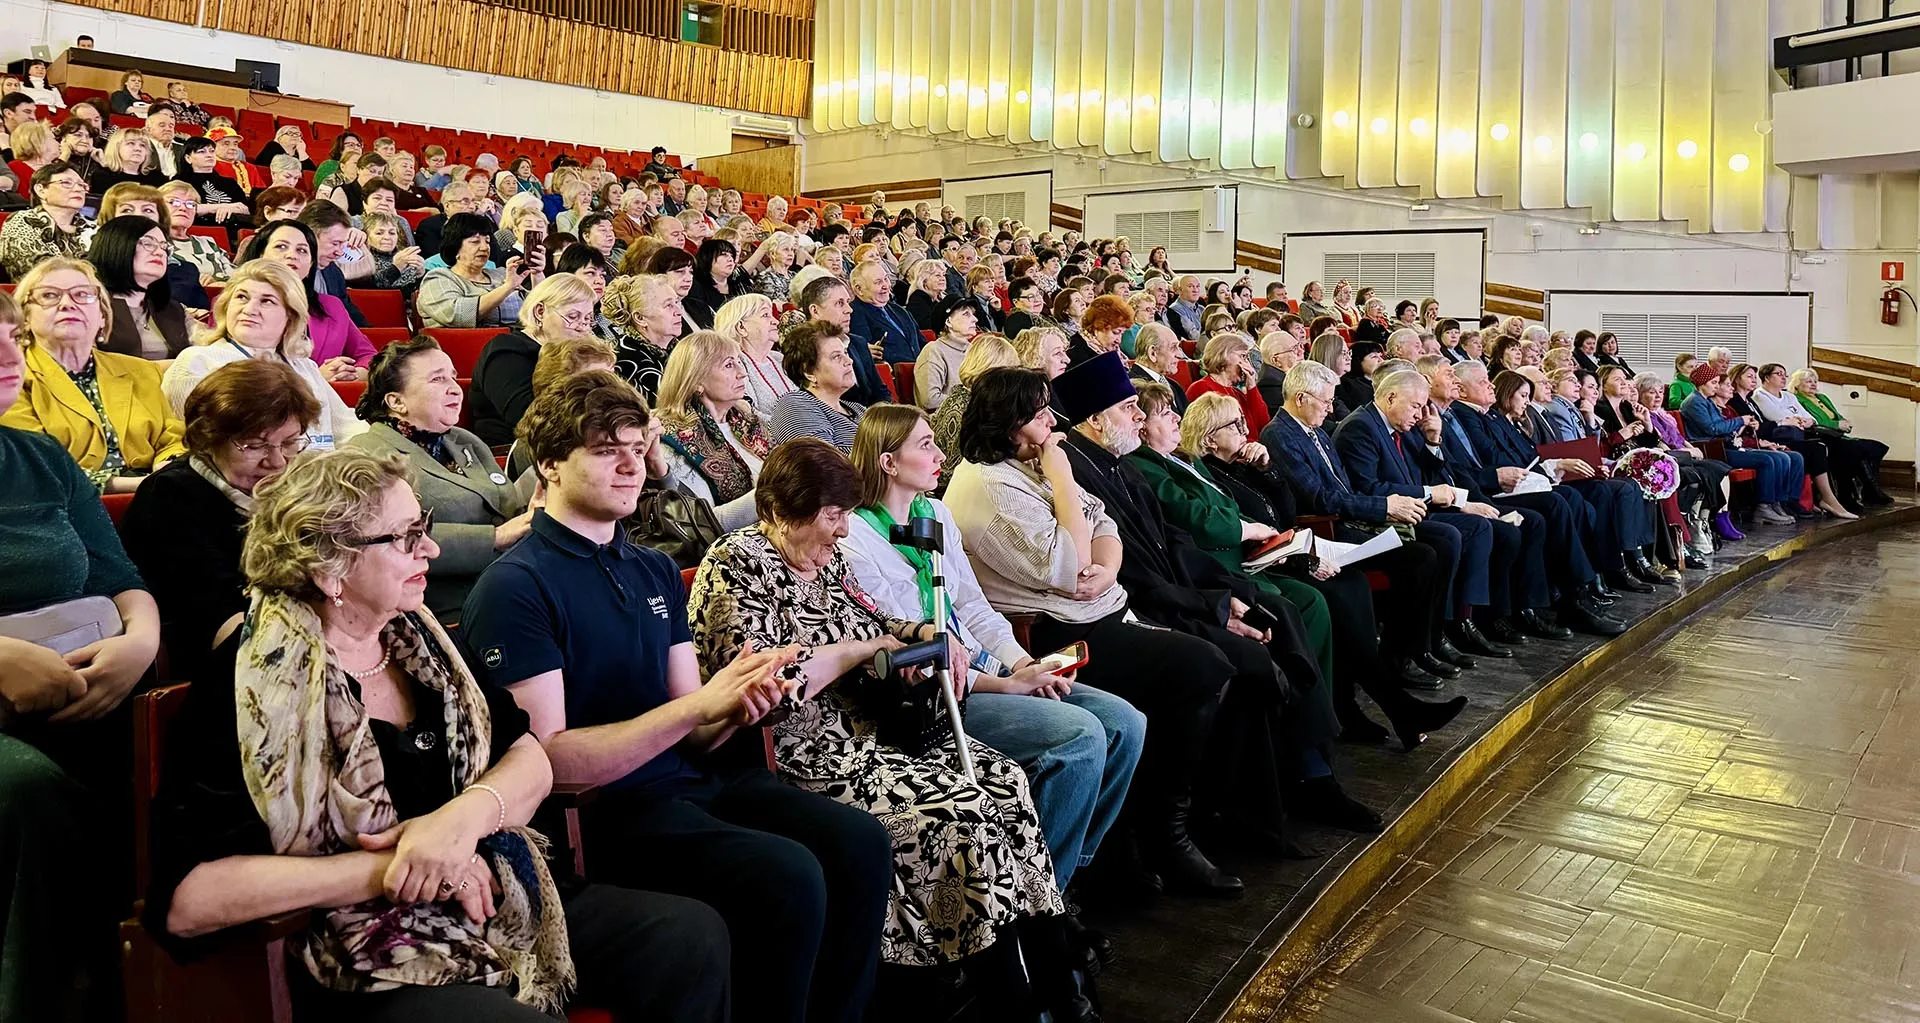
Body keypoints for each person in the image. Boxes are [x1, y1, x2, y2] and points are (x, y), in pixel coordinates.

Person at [143, 447, 731, 1023]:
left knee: (686, 936)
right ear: (330, 568)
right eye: (405, 537)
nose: (432, 547)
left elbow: (531, 759)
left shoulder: (424, 645)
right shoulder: (249, 691)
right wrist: (404, 868)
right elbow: (192, 900)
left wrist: (463, 821)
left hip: (489, 888)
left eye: (422, 525)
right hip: (355, 945)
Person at [459, 370, 892, 1023]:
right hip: (609, 812)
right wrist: (699, 707)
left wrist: (742, 701)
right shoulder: (516, 586)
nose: (633, 464)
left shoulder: (652, 567)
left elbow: (696, 720)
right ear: (548, 463)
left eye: (638, 447)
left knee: (859, 841)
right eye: (608, 450)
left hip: (692, 779)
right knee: (789, 873)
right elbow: (550, 761)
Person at [688, 438, 1086, 1020]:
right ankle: (1002, 994)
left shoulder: (827, 564)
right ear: (779, 510)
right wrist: (865, 649)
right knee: (960, 812)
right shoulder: (736, 567)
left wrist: (927, 632)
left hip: (876, 735)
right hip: (806, 754)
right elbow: (773, 686)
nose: (845, 531)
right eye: (833, 515)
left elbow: (880, 621)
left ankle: (1056, 978)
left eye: (847, 514)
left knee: (1004, 784)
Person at [844, 402, 1144, 904]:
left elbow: (974, 609)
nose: (940, 453)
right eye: (925, 445)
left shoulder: (934, 513)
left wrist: (1021, 663)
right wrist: (1005, 683)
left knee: (1125, 722)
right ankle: (1038, 900)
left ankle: (1060, 876)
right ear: (887, 463)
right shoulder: (855, 537)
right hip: (940, 691)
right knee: (1078, 737)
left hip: (987, 666)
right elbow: (917, 648)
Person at [0, 294, 165, 1022]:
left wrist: (140, 641)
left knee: (189, 733)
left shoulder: (37, 454)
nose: (12, 359)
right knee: (28, 788)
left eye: (11, 338)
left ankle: (160, 975)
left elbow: (119, 574)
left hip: (80, 680)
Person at [1137, 385, 1467, 747]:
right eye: (1234, 425)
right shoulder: (1203, 467)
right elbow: (1220, 521)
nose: (1246, 431)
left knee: (1356, 583)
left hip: (1284, 547)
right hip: (1255, 562)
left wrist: (1266, 470)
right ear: (1211, 438)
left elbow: (1284, 507)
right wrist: (1287, 547)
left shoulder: (1238, 465)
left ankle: (1366, 703)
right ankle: (1368, 708)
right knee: (1335, 596)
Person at [121, 359, 319, 680]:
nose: (277, 461)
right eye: (255, 445)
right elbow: (208, 607)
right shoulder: (169, 495)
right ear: (208, 437)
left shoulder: (296, 485)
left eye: (289, 442)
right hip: (211, 656)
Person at [343, 337, 536, 620]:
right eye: (437, 379)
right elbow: (387, 539)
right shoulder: (367, 453)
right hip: (443, 600)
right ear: (396, 401)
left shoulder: (463, 440)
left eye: (454, 377)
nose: (455, 389)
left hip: (511, 575)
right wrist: (494, 538)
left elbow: (506, 502)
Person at [1, 255, 186, 491]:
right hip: (62, 508)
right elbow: (36, 467)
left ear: (102, 316)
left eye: (82, 294)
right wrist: (140, 484)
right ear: (24, 318)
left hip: (156, 497)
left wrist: (166, 465)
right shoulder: (10, 379)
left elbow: (171, 438)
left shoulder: (142, 370)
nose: (67, 304)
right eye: (49, 295)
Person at [162, 260, 365, 449]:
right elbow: (209, 448)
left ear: (291, 316)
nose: (249, 309)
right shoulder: (198, 362)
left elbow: (347, 429)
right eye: (241, 297)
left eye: (266, 301)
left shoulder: (304, 366)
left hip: (323, 474)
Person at [651, 330, 773, 530]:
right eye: (728, 365)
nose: (742, 372)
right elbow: (704, 524)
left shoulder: (747, 420)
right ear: (697, 380)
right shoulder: (673, 438)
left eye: (739, 362)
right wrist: (776, 493)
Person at [466, 272, 600, 447]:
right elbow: (527, 418)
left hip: (573, 442)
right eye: (573, 317)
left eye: (588, 319)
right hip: (513, 452)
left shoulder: (578, 355)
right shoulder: (505, 350)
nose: (582, 328)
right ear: (540, 312)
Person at [241, 218, 376, 380]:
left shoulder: (332, 306)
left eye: (302, 250)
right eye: (281, 247)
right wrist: (315, 378)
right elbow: (236, 374)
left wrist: (351, 374)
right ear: (260, 254)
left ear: (311, 263)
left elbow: (368, 356)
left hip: (331, 400)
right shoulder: (237, 304)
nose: (292, 255)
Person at [1727, 362, 1846, 518]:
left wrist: (1800, 421)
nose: (1753, 380)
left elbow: (1763, 424)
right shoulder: (1742, 400)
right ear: (1736, 379)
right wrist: (1777, 427)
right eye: (1749, 377)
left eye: (1753, 377)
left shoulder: (1749, 400)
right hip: (1755, 441)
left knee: (1801, 454)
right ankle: (1767, 504)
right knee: (1785, 456)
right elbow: (1760, 425)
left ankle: (1789, 501)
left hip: (1768, 438)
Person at [1754, 362, 1873, 513]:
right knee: (1821, 449)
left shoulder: (1788, 396)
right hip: (1779, 438)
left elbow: (1810, 418)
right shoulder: (1760, 395)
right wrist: (1798, 420)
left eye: (1785, 374)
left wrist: (1803, 420)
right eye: (1779, 374)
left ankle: (1833, 498)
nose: (1783, 377)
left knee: (1843, 448)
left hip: (1800, 434)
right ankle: (1826, 498)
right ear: (1766, 378)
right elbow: (1776, 416)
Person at [89, 214, 191, 360]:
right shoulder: (88, 305)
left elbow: (208, 342)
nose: (159, 252)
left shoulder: (172, 309)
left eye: (164, 247)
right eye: (149, 244)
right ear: (117, 245)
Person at [1791, 367, 1892, 505]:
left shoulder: (1822, 397)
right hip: (1823, 437)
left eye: (1815, 381)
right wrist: (1837, 425)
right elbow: (1814, 421)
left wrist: (1845, 423)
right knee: (1855, 452)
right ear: (1797, 384)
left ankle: (1869, 490)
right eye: (1809, 381)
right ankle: (1868, 492)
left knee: (1878, 448)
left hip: (1839, 436)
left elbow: (1837, 416)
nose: (1813, 384)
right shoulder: (1798, 400)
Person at [419, 212, 537, 328]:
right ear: (455, 247)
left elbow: (537, 309)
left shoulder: (500, 275)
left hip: (518, 340)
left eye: (487, 241)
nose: (485, 247)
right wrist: (507, 288)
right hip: (467, 344)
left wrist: (537, 273)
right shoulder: (438, 279)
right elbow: (457, 314)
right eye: (475, 242)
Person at [769, 319, 867, 452]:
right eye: (836, 357)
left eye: (845, 353)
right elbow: (822, 465)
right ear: (809, 372)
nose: (849, 361)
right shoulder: (794, 404)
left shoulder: (859, 409)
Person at [0, 161, 91, 280]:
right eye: (66, 183)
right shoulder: (23, 221)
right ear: (41, 190)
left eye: (82, 185)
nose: (78, 189)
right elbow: (39, 272)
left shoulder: (91, 226)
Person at [599, 272, 679, 404]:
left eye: (677, 302)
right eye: (668, 305)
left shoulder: (679, 348)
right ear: (640, 318)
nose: (679, 311)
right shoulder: (626, 358)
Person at [712, 291, 795, 415]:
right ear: (741, 327)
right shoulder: (734, 368)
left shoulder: (779, 358)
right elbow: (750, 416)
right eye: (765, 315)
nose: (776, 322)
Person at [1185, 332, 1270, 438]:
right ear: (1223, 355)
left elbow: (1263, 424)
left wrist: (1252, 387)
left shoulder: (1236, 392)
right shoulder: (1201, 388)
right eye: (1243, 356)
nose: (1247, 364)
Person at [914, 297, 978, 411]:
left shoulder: (973, 349)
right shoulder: (934, 350)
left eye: (973, 314)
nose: (975, 319)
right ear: (948, 322)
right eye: (966, 314)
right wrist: (975, 402)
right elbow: (930, 400)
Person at [679, 238, 737, 329]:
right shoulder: (696, 288)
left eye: (732, 255)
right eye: (723, 255)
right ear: (708, 257)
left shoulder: (739, 284)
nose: (730, 259)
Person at [364, 210, 426, 289]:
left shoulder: (406, 258)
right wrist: (396, 268)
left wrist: (421, 275)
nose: (387, 237)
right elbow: (369, 287)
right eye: (379, 233)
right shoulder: (361, 260)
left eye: (392, 233)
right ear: (366, 237)